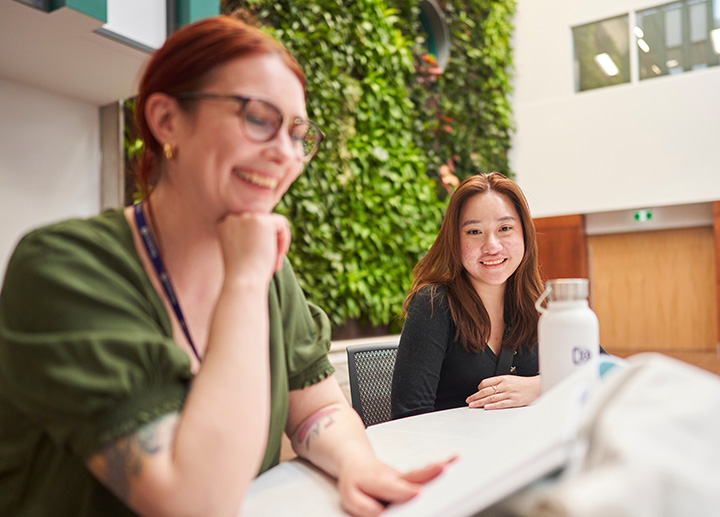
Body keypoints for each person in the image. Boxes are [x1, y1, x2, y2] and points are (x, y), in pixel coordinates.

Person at [0, 15, 453, 517]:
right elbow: (193, 504)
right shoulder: (65, 269)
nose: (286, 154)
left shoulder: (266, 269)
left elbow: (318, 408)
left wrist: (355, 463)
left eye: (299, 133)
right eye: (258, 117)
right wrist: (244, 281)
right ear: (166, 119)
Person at [391, 172, 544, 419]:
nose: (492, 246)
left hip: (528, 452)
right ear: (455, 240)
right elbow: (409, 415)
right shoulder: (434, 304)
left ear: (524, 233)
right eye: (474, 232)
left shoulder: (541, 304)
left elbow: (606, 372)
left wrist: (541, 387)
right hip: (454, 453)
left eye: (505, 228)